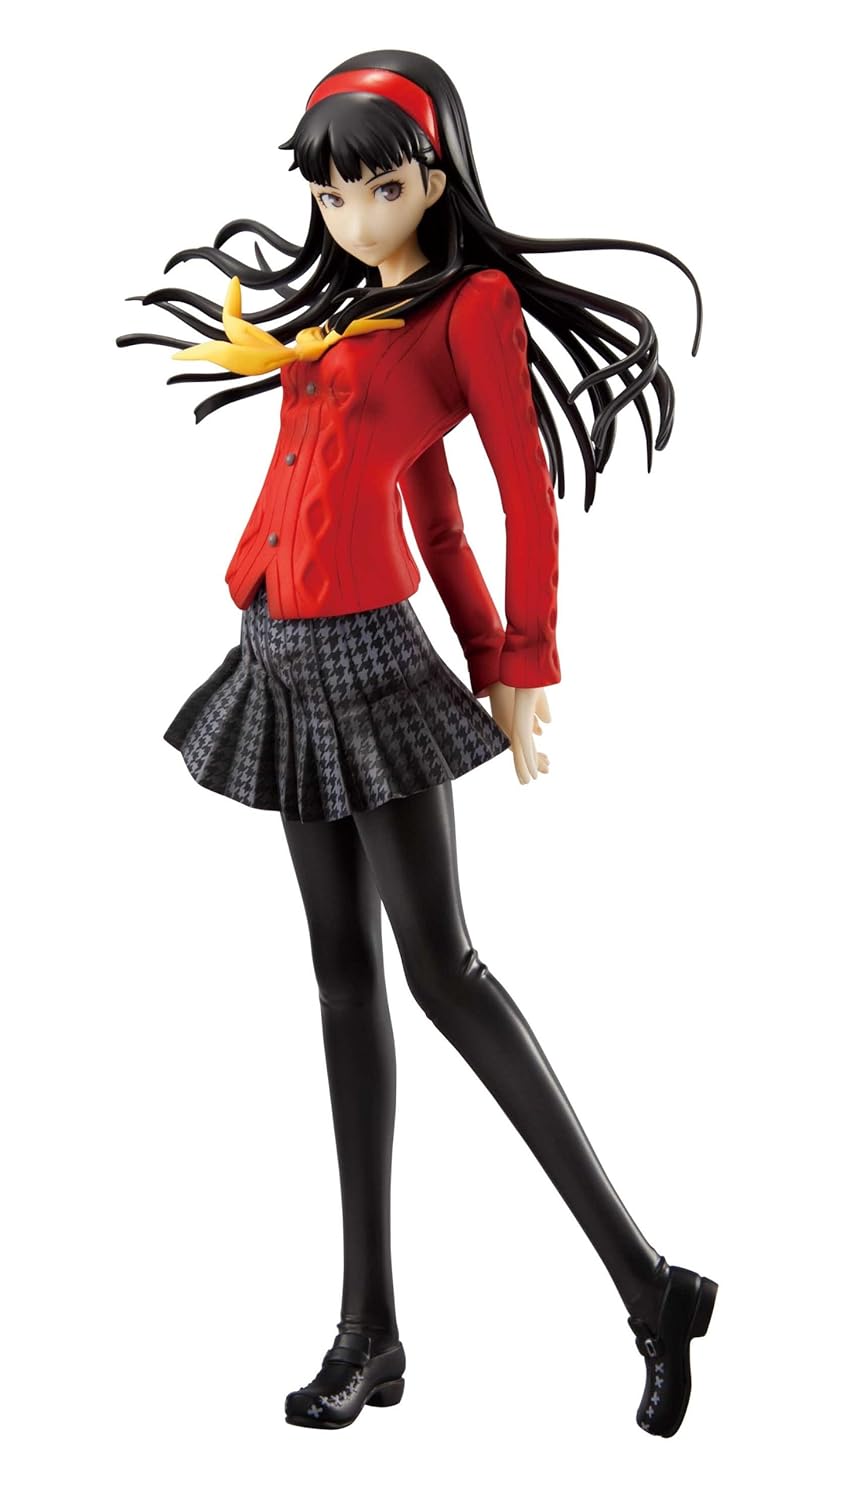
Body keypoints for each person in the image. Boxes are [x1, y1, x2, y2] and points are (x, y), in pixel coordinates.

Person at [118, 48, 717, 1438]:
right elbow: (430, 508)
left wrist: (518, 665)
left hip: (369, 664)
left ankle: (649, 1286)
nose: (351, 215)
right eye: (331, 195)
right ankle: (369, 1332)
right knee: (341, 983)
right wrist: (484, 642)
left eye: (377, 188)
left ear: (434, 178)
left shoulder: (471, 308)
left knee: (443, 973)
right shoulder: (348, 307)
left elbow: (519, 494)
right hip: (277, 653)